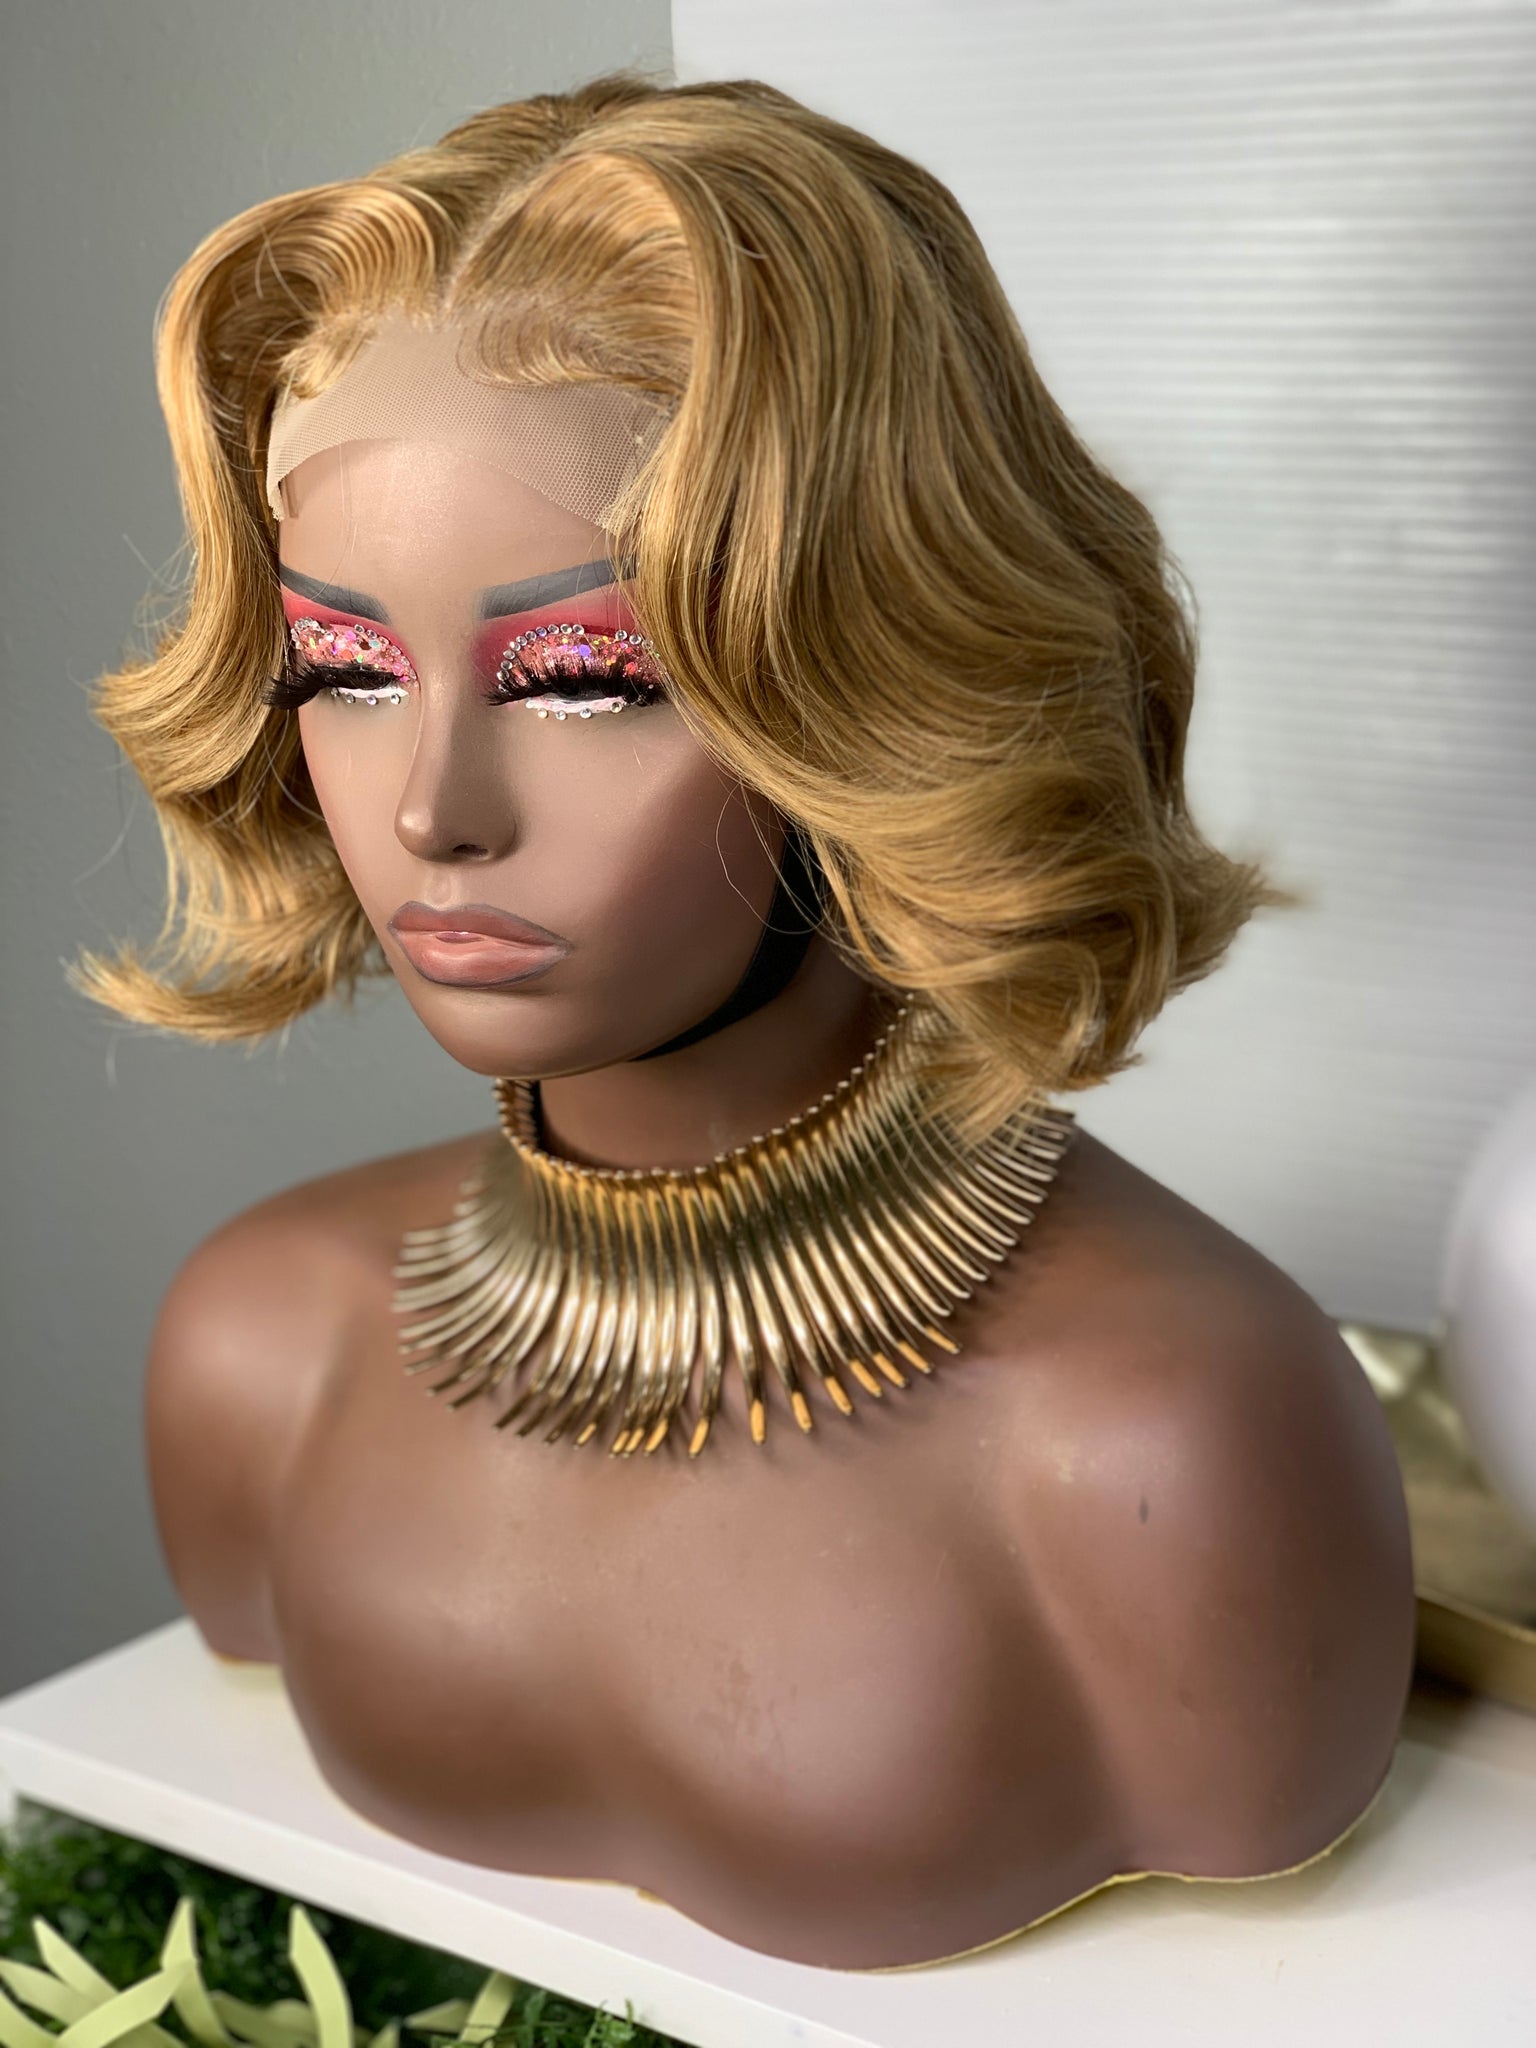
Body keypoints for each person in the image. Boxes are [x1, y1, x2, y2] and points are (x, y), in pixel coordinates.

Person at [69, 74, 1416, 1970]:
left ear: (877, 684)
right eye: (348, 666)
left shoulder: (1168, 1453)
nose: (436, 808)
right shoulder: (260, 1349)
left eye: (584, 675)